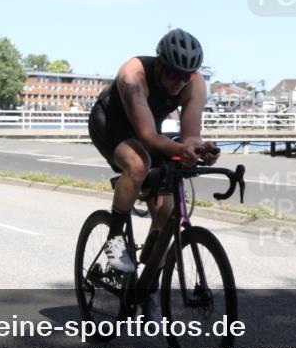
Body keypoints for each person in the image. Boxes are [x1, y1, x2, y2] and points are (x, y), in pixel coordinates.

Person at [88, 28, 217, 284]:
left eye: (186, 76)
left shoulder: (195, 84)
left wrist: (199, 149)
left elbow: (190, 134)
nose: (179, 82)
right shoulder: (133, 75)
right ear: (159, 65)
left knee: (167, 212)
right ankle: (115, 240)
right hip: (110, 123)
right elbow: (147, 137)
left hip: (147, 128)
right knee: (138, 165)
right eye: (173, 74)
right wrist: (180, 149)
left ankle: (148, 286)